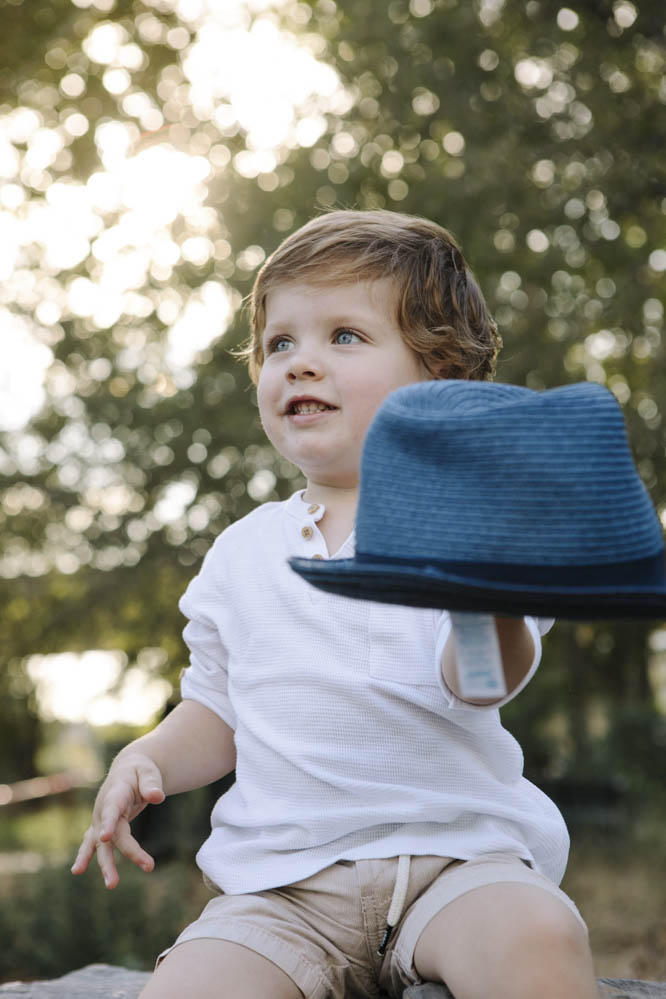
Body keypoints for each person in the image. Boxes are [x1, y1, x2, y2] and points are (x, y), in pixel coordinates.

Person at [72, 210, 598, 999]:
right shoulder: (242, 553)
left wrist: (475, 601)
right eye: (280, 342)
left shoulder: (469, 523)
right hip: (281, 892)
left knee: (541, 937)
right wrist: (145, 758)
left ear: (440, 377)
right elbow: (218, 711)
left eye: (344, 337)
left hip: (454, 864)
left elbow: (479, 680)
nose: (301, 363)